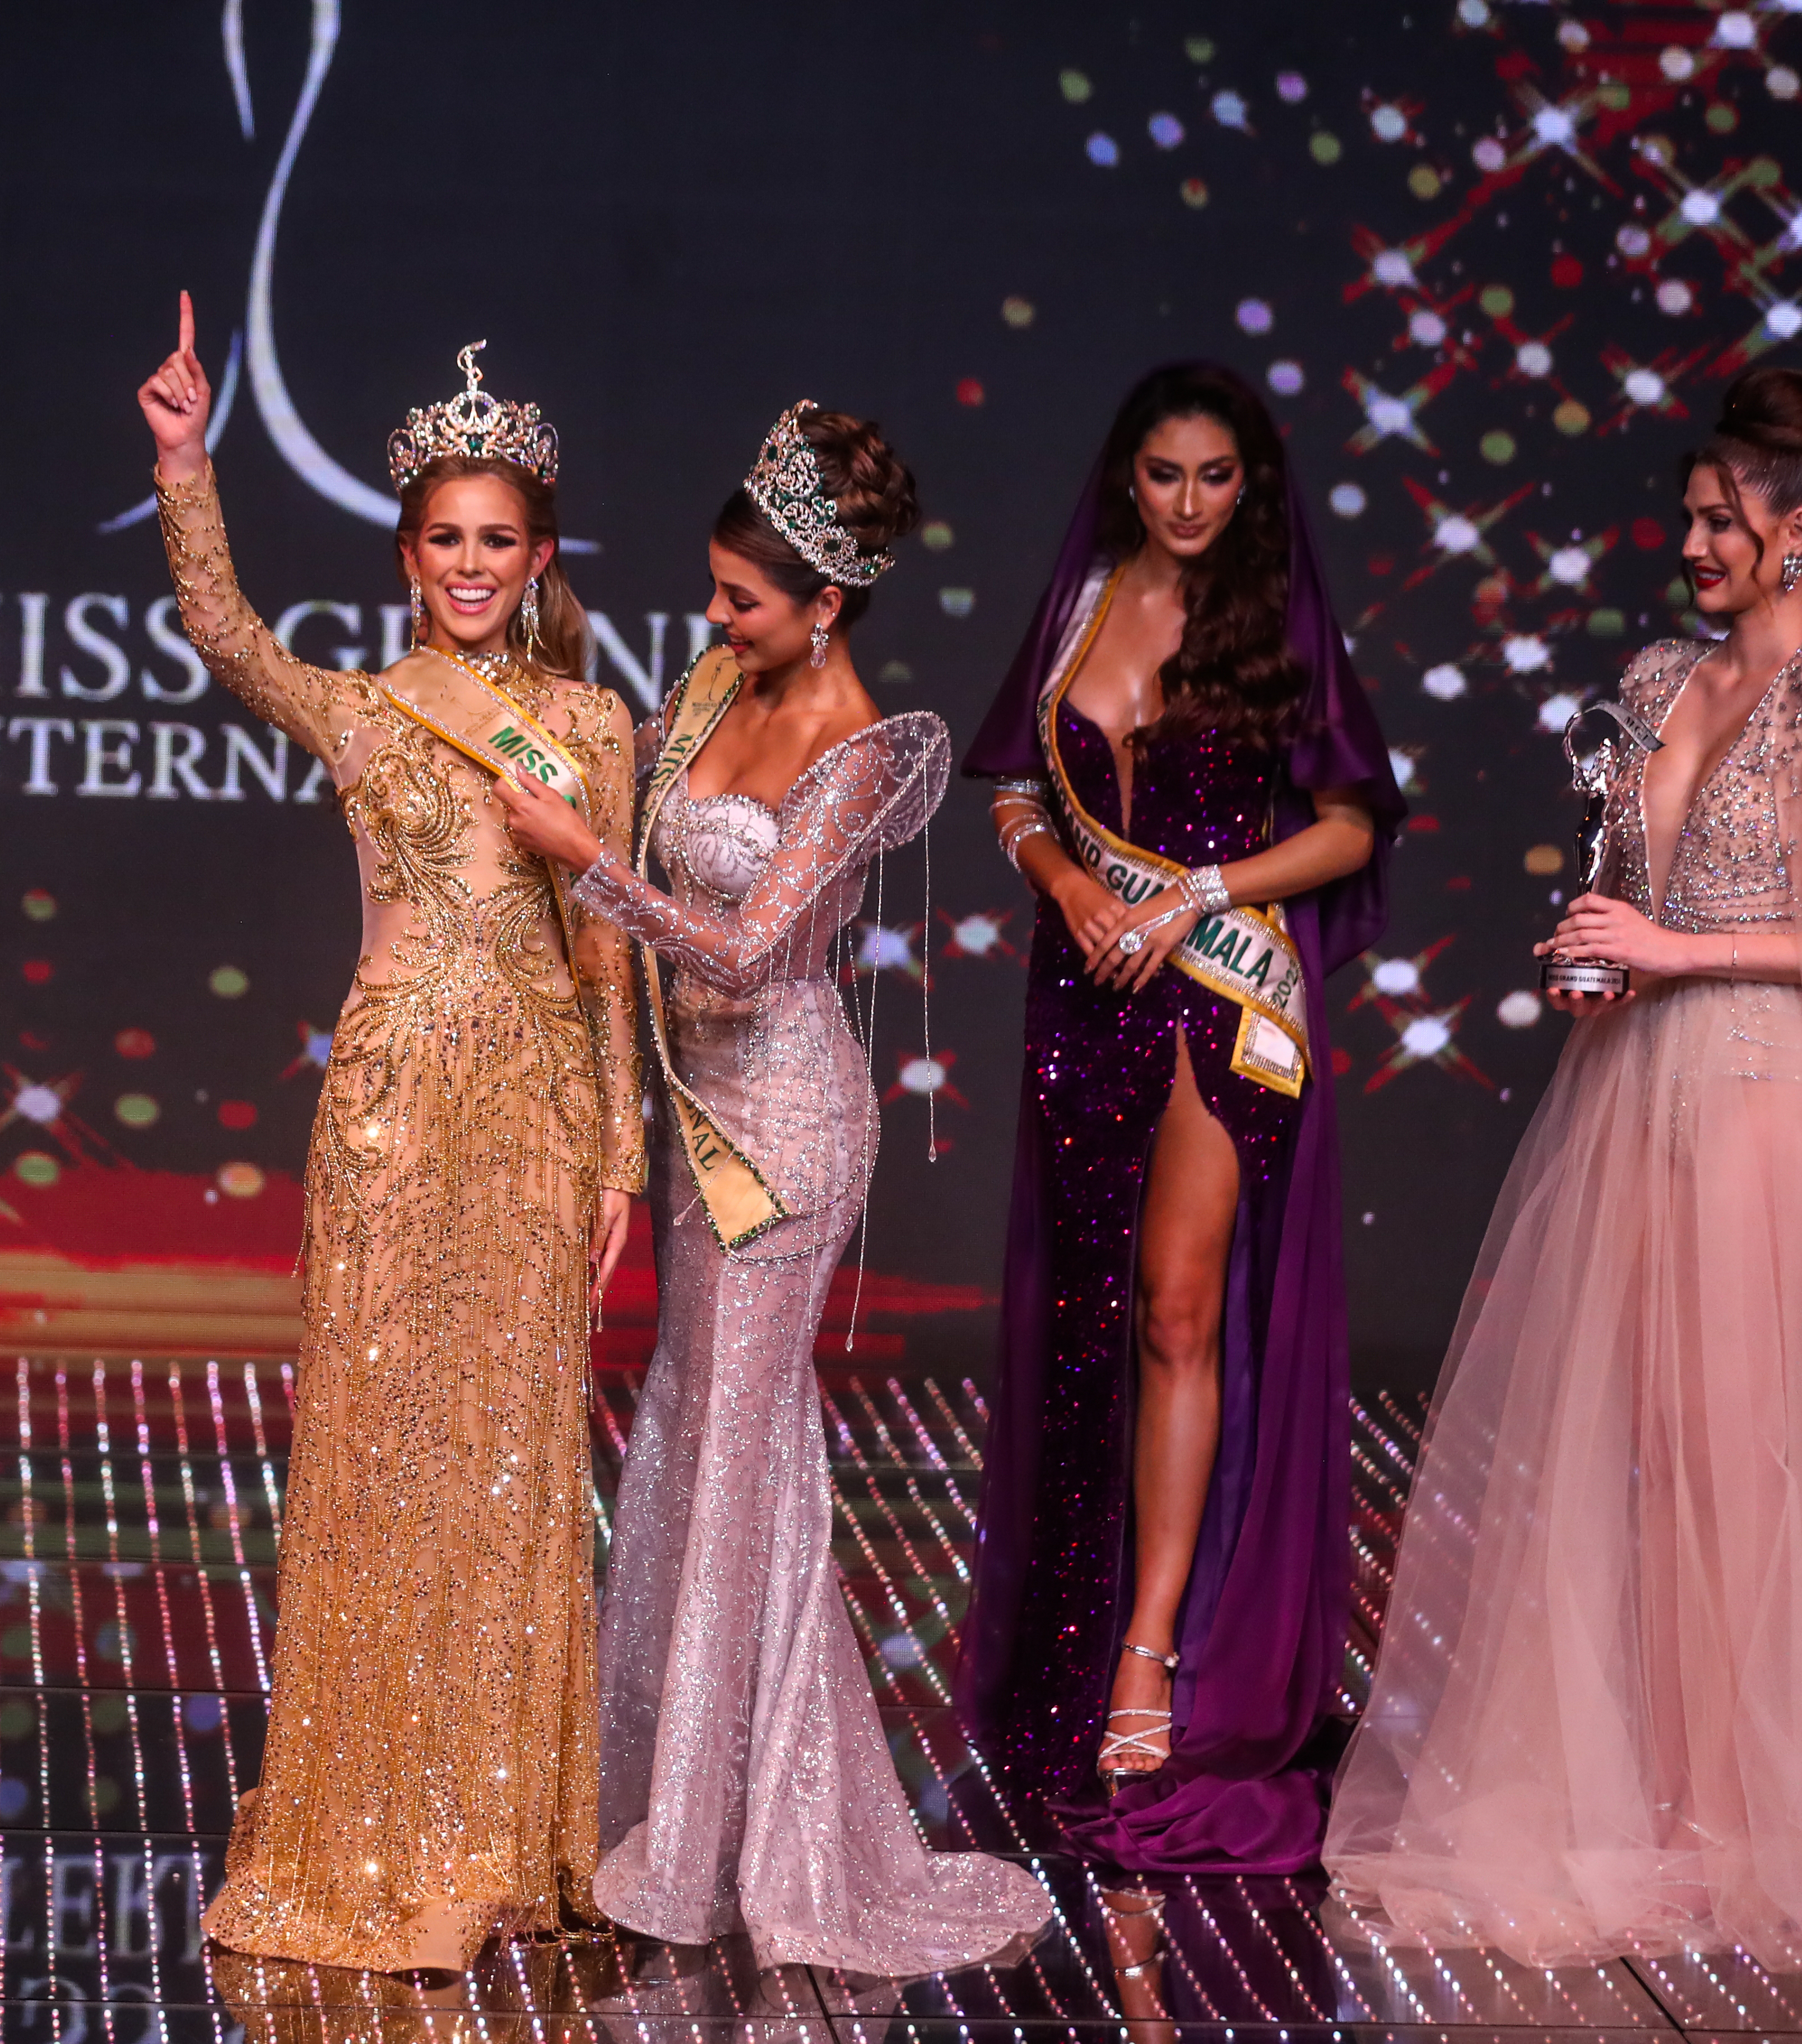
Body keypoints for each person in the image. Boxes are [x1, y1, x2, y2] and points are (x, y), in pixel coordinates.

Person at [1325, 368, 1802, 1996]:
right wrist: (1601, 952)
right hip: (1638, 1094)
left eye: (1720, 517)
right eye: (1690, 512)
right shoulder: (1653, 675)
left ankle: (1760, 1817)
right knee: (1647, 1443)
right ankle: (1678, 1806)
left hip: (1767, 1091)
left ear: (1795, 531)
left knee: (1748, 1452)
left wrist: (1681, 952)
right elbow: (1621, 883)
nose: (1691, 539)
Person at [496, 405, 1056, 1972]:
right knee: (700, 1439)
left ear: (828, 603)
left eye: (745, 600)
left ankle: (735, 1847)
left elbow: (750, 953)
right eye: (715, 591)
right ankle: (688, 1811)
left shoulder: (865, 751)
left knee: (740, 1458)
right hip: (698, 1119)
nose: (717, 620)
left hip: (789, 1131)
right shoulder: (717, 684)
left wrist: (583, 863)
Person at [136, 295, 645, 1974]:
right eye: (445, 538)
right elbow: (223, 634)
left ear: (543, 550)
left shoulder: (588, 730)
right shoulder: (363, 708)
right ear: (409, 548)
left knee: (510, 1470)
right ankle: (363, 1834)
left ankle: (490, 1845)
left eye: (500, 539)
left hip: (532, 1125)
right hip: (390, 1118)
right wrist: (185, 461)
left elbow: (604, 951)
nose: (472, 564)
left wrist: (624, 1143)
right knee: (380, 1468)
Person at [954, 363, 1402, 1874]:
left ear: (1248, 484)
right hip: (1086, 989)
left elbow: (1351, 823)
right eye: (1166, 475)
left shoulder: (1277, 623)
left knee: (1179, 1312)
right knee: (1092, 1315)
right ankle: (1079, 1632)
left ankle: (1151, 1647)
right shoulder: (1082, 599)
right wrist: (1074, 887)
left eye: (1216, 476)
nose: (1191, 503)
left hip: (1220, 998)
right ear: (1127, 478)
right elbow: (1013, 784)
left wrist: (1201, 894)